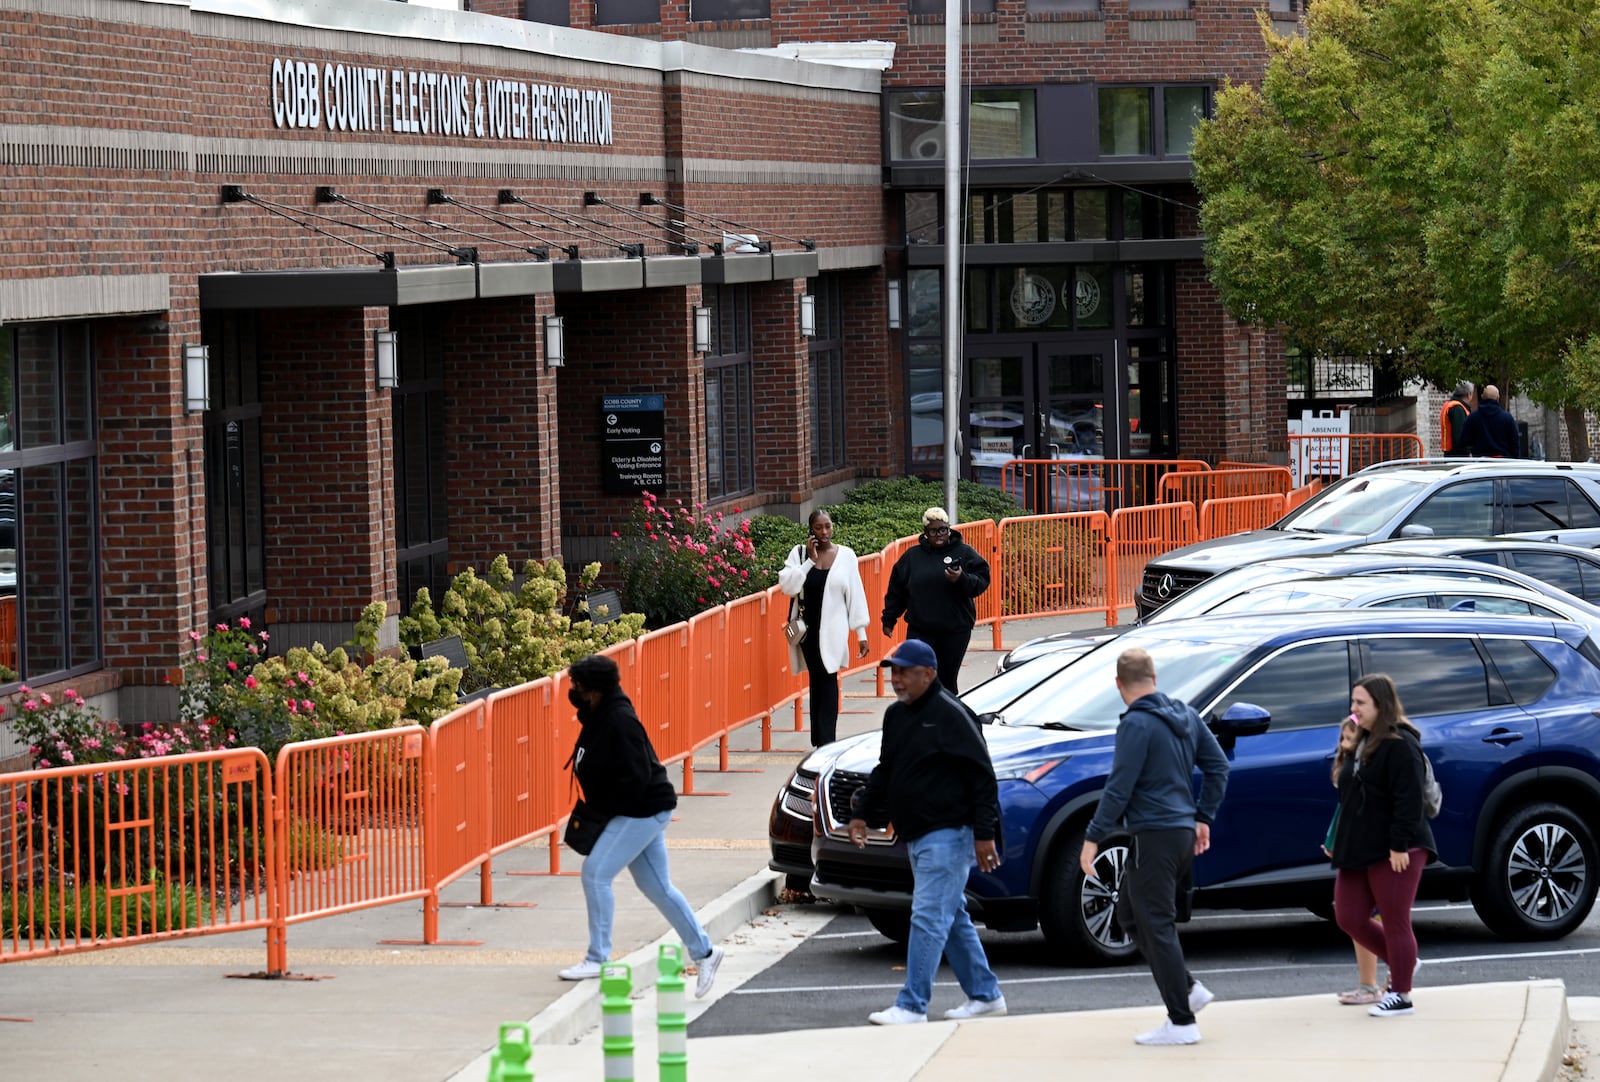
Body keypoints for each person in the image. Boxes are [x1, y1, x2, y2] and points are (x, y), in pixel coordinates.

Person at [847, 638, 1007, 1026]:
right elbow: (887, 770)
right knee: (950, 916)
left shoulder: (952, 714)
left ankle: (912, 1004)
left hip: (949, 834)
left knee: (928, 916)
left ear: (929, 674)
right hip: (917, 834)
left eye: (904, 672)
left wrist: (984, 834)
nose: (897, 680)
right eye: (894, 672)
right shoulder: (897, 716)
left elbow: (982, 778)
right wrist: (862, 814)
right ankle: (985, 996)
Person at [1080, 647, 1229, 1046]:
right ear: (1155, 679)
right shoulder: (1186, 715)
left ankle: (1181, 1022)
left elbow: (1119, 786)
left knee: (1156, 924)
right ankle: (1188, 989)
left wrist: (1093, 837)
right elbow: (1218, 767)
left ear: (1118, 685)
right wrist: (1203, 817)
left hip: (1154, 834)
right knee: (1130, 914)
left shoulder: (1135, 726)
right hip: (1178, 833)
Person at [558, 654, 725, 998]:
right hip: (638, 810)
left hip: (641, 811)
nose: (572, 690)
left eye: (578, 685)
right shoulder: (598, 714)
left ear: (595, 689)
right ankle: (706, 952)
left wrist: (605, 815)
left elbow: (638, 776)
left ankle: (597, 957)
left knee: (595, 873)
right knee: (659, 888)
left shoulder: (619, 720)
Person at [1329, 674, 1437, 1019]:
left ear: (1381, 705)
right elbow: (1349, 799)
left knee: (1395, 920)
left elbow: (1408, 799)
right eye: (1353, 701)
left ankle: (1401, 995)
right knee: (1348, 915)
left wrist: (1400, 844)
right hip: (1359, 847)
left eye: (1361, 702)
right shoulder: (1359, 741)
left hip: (1397, 847)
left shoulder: (1400, 743)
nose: (1354, 708)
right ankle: (1404, 961)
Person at [779, 509, 870, 747]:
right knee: (819, 680)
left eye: (827, 526)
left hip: (833, 632)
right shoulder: (799, 554)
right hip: (807, 632)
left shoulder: (847, 556)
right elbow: (788, 587)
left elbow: (855, 596)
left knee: (827, 678)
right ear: (811, 530)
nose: (824, 532)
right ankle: (821, 739)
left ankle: (825, 739)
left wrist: (861, 633)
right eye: (818, 527)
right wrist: (810, 560)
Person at [881, 507, 991, 693]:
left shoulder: (964, 552)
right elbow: (897, 590)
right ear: (925, 532)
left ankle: (947, 717)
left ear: (949, 529)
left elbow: (981, 582)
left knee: (946, 680)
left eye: (943, 530)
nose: (939, 535)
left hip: (955, 629)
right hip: (921, 629)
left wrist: (962, 578)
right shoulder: (912, 557)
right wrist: (889, 618)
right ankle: (920, 718)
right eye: (933, 531)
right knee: (919, 679)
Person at [1323, 715, 1383, 1005]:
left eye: (1351, 737)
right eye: (1342, 737)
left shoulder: (1368, 768)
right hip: (1355, 850)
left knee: (1374, 915)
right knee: (1358, 916)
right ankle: (1371, 983)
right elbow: (1343, 810)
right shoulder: (1348, 767)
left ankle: (1391, 979)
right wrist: (1334, 841)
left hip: (1372, 850)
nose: (1344, 743)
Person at [1460, 384, 1520, 458]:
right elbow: (1515, 444)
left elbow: (1464, 441)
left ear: (1482, 397)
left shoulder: (1472, 418)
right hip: (1504, 462)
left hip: (1480, 463)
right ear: (1498, 398)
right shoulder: (1507, 418)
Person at [1438, 381, 1474, 457]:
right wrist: (1468, 451)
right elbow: (1459, 435)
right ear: (1469, 394)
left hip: (1451, 453)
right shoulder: (1458, 409)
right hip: (1459, 455)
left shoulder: (1451, 405)